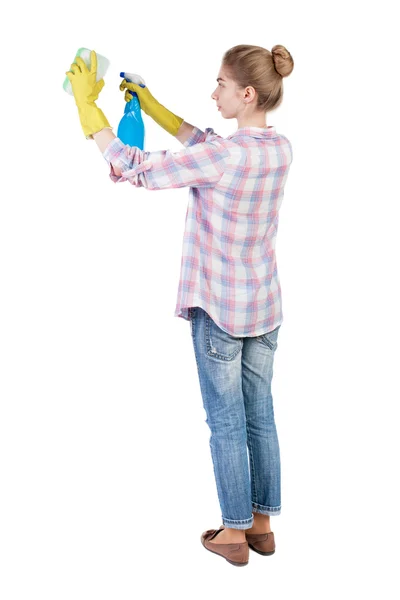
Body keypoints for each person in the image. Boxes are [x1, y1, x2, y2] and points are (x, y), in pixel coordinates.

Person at [66, 43, 294, 567]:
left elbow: (136, 168)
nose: (213, 92)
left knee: (227, 424)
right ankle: (261, 527)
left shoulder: (222, 157)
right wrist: (151, 106)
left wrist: (88, 110)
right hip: (263, 307)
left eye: (220, 84)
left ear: (247, 93)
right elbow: (207, 145)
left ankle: (233, 536)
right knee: (261, 417)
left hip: (218, 309)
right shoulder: (279, 147)